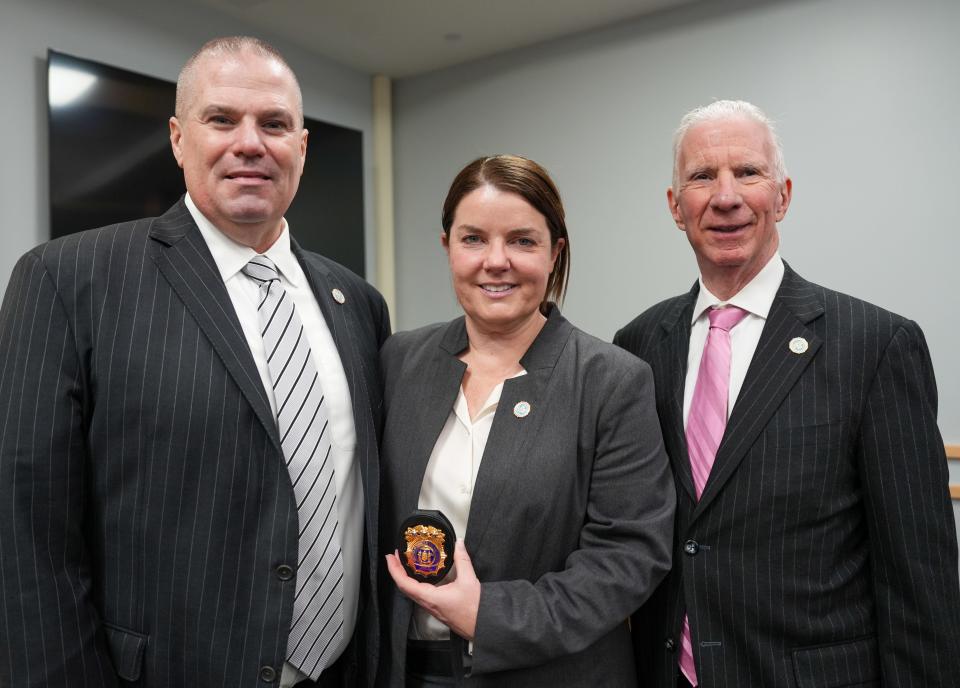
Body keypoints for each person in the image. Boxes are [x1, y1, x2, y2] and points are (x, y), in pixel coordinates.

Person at [0, 37, 389, 687]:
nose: (250, 143)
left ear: (301, 146)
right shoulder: (68, 280)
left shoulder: (358, 303)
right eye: (221, 119)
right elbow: (26, 538)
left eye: (274, 124)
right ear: (179, 139)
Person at [615, 99, 960, 687]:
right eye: (702, 177)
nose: (726, 197)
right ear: (676, 207)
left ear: (783, 195)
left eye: (748, 173)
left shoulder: (874, 345)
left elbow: (918, 581)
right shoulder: (639, 344)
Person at [376, 155, 676, 686]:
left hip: (551, 672)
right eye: (473, 239)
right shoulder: (399, 361)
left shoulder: (611, 380)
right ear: (446, 247)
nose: (496, 261)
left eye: (522, 240)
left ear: (555, 252)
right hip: (408, 670)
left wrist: (489, 618)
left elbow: (630, 555)